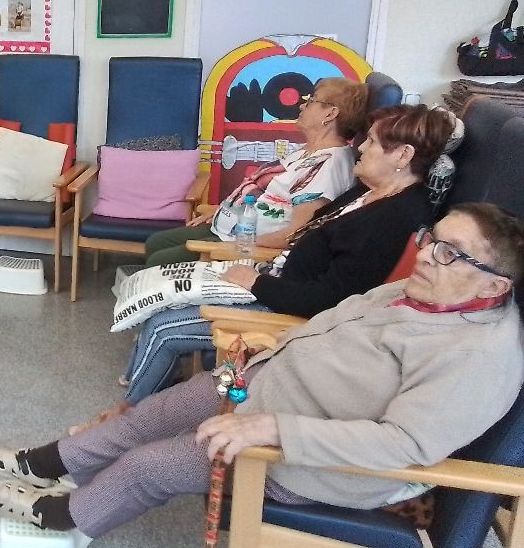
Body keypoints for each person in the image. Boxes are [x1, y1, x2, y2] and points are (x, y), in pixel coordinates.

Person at [0, 202, 524, 543]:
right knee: (150, 415)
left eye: (451, 253)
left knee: (150, 467)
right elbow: (332, 323)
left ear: (494, 285)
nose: (425, 256)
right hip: (266, 382)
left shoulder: (476, 357)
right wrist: (268, 351)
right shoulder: (417, 293)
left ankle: (65, 515)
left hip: (305, 456)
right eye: (432, 239)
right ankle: (47, 462)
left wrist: (273, 428)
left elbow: (403, 444)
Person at [122, 104, 455, 401]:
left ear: (403, 155)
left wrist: (255, 282)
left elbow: (331, 299)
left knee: (163, 328)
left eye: (371, 141)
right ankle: (150, 398)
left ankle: (128, 417)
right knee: (160, 295)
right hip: (275, 279)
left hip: (288, 310)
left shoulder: (393, 219)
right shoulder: (367, 194)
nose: (361, 148)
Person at [144, 78, 367, 268]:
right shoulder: (308, 151)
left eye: (310, 101)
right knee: (156, 242)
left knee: (159, 260)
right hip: (231, 229)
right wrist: (222, 211)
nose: (302, 106)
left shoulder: (328, 166)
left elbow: (296, 234)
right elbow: (265, 196)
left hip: (246, 246)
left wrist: (242, 244)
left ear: (331, 113)